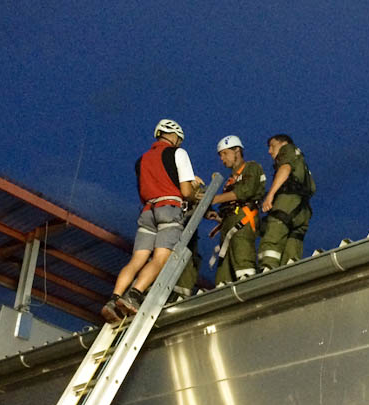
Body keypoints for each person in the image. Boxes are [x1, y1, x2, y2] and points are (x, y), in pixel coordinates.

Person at [102, 119, 197, 322]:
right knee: (160, 259)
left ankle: (114, 299)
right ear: (174, 136)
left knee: (136, 260)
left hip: (147, 211)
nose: (179, 143)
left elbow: (143, 189)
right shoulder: (178, 153)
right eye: (179, 140)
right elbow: (186, 191)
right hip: (169, 208)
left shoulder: (142, 160)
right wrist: (194, 191)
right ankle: (134, 295)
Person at [208, 135, 265, 284]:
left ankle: (248, 286)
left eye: (224, 153)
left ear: (237, 151)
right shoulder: (230, 180)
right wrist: (218, 217)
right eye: (220, 155)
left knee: (243, 258)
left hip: (243, 221)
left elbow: (244, 191)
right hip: (229, 223)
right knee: (224, 270)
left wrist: (214, 199)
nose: (222, 158)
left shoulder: (251, 168)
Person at [259, 133, 315, 270]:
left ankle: (268, 270)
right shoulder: (301, 162)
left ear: (284, 144)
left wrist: (270, 195)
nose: (269, 151)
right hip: (302, 209)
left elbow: (285, 168)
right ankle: (290, 274)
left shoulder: (287, 150)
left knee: (273, 236)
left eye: (272, 146)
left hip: (287, 203)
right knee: (292, 248)